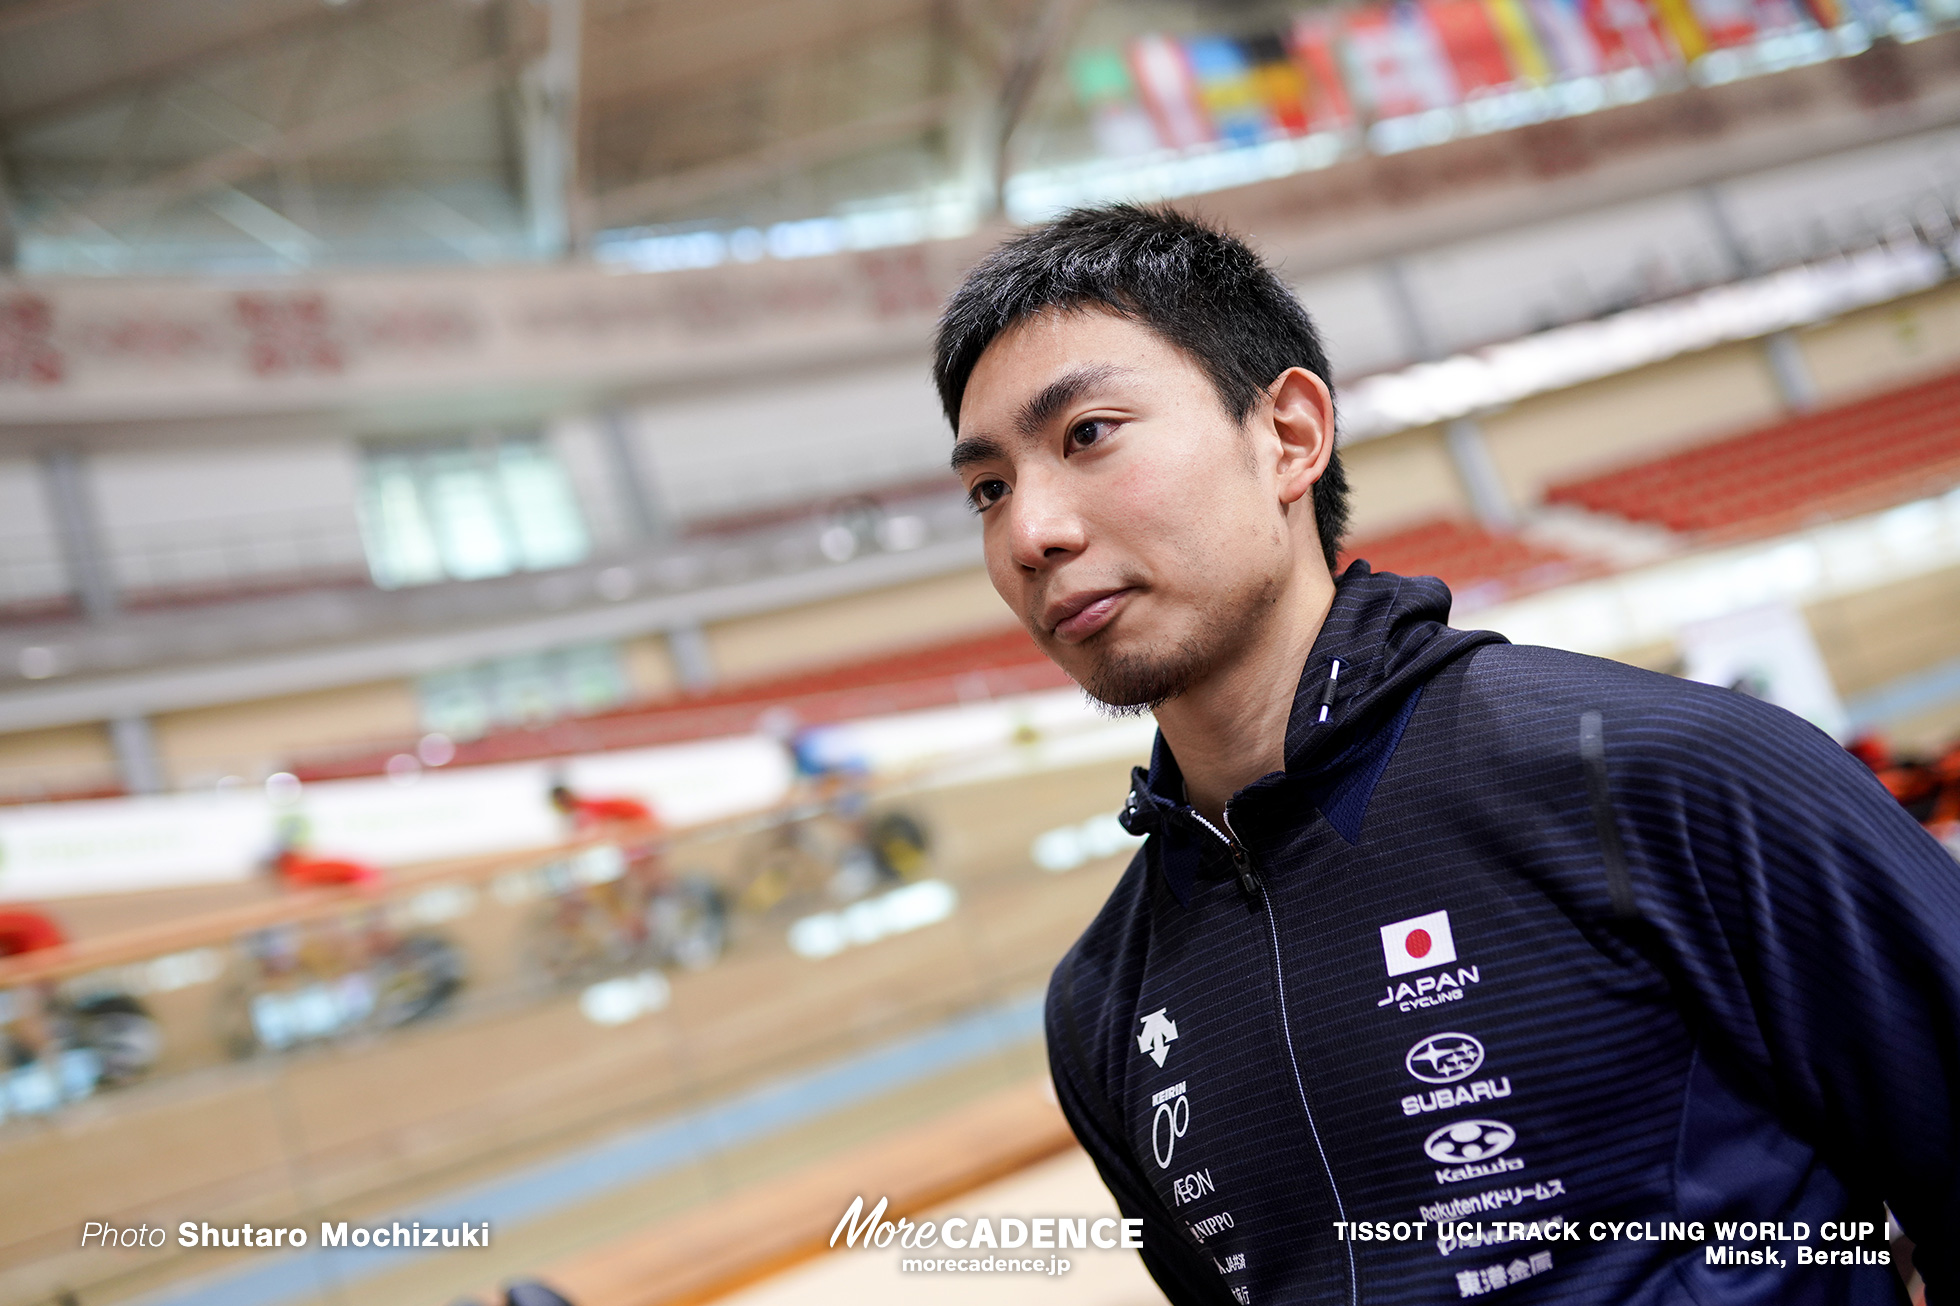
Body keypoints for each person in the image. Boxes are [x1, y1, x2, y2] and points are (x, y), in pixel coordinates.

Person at [933, 205, 1954, 1305]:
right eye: (988, 487)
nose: (1030, 531)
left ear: (1286, 436)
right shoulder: (1101, 1008)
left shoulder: (1671, 778)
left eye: (1088, 433)